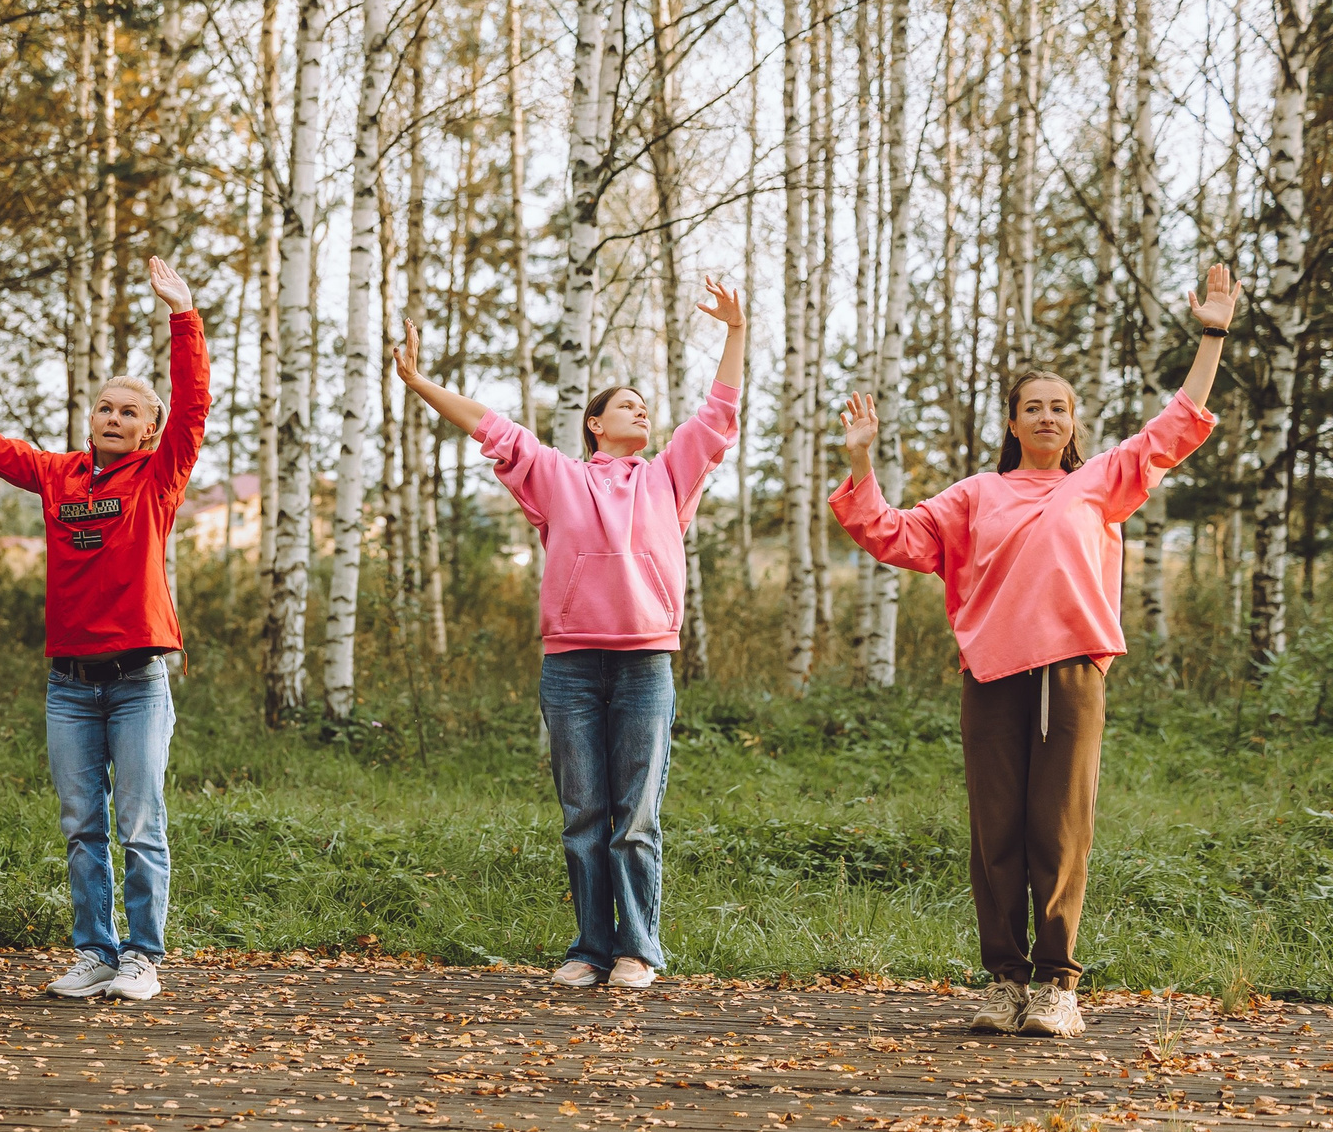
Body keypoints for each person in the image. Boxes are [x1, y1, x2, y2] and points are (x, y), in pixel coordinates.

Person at [831, 265, 1239, 1040]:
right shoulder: (975, 495)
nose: (1047, 416)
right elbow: (890, 533)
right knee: (998, 833)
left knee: (1060, 829)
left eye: (1060, 407)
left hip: (1073, 675)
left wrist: (1211, 334)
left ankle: (1057, 985)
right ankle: (1004, 981)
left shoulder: (1100, 483)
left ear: (1073, 421)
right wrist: (861, 465)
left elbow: (1180, 420)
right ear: (1013, 422)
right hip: (991, 678)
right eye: (1033, 408)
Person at [393, 279, 747, 993]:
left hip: (646, 662)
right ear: (593, 424)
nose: (639, 411)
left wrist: (735, 331)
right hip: (572, 666)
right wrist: (418, 380)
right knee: (584, 813)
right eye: (624, 405)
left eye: (645, 407)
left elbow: (719, 411)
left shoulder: (671, 475)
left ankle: (637, 952)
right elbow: (488, 426)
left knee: (635, 819)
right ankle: (590, 948)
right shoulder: (556, 477)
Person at [0, 258, 208, 1003]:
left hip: (137, 681)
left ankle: (143, 959)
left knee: (139, 823)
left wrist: (184, 317)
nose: (112, 417)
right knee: (82, 826)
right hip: (69, 685)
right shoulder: (58, 476)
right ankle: (95, 954)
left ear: (150, 431)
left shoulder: (158, 478)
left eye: (128, 411)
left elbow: (194, 403)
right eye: (104, 407)